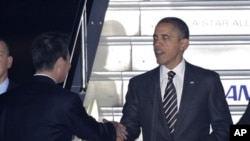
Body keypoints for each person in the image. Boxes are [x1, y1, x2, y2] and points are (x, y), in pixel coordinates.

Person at [119, 17, 233, 141]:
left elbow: (224, 129)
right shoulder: (139, 84)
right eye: (155, 38)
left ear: (183, 44)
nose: (157, 43)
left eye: (165, 38)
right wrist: (114, 133)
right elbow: (129, 127)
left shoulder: (207, 81)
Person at [0, 32, 127, 141]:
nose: (70, 66)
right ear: (60, 63)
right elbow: (91, 131)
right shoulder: (66, 101)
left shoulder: (7, 98)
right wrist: (112, 128)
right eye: (68, 60)